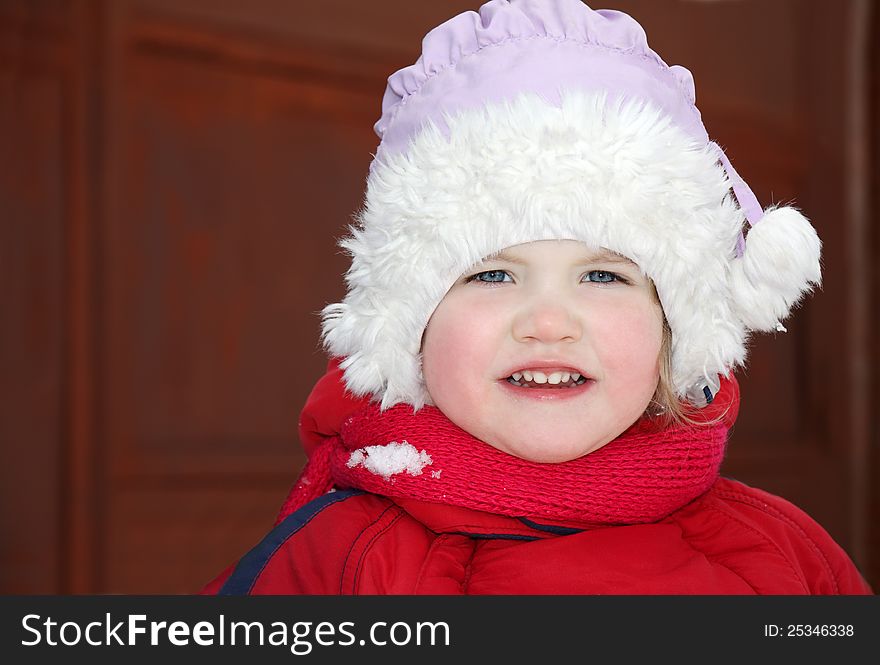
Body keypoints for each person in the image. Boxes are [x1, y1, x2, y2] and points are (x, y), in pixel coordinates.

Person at [202, 0, 872, 594]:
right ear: (411, 326)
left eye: (604, 276)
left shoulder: (782, 559)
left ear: (675, 328)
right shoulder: (337, 562)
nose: (549, 322)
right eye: (492, 275)